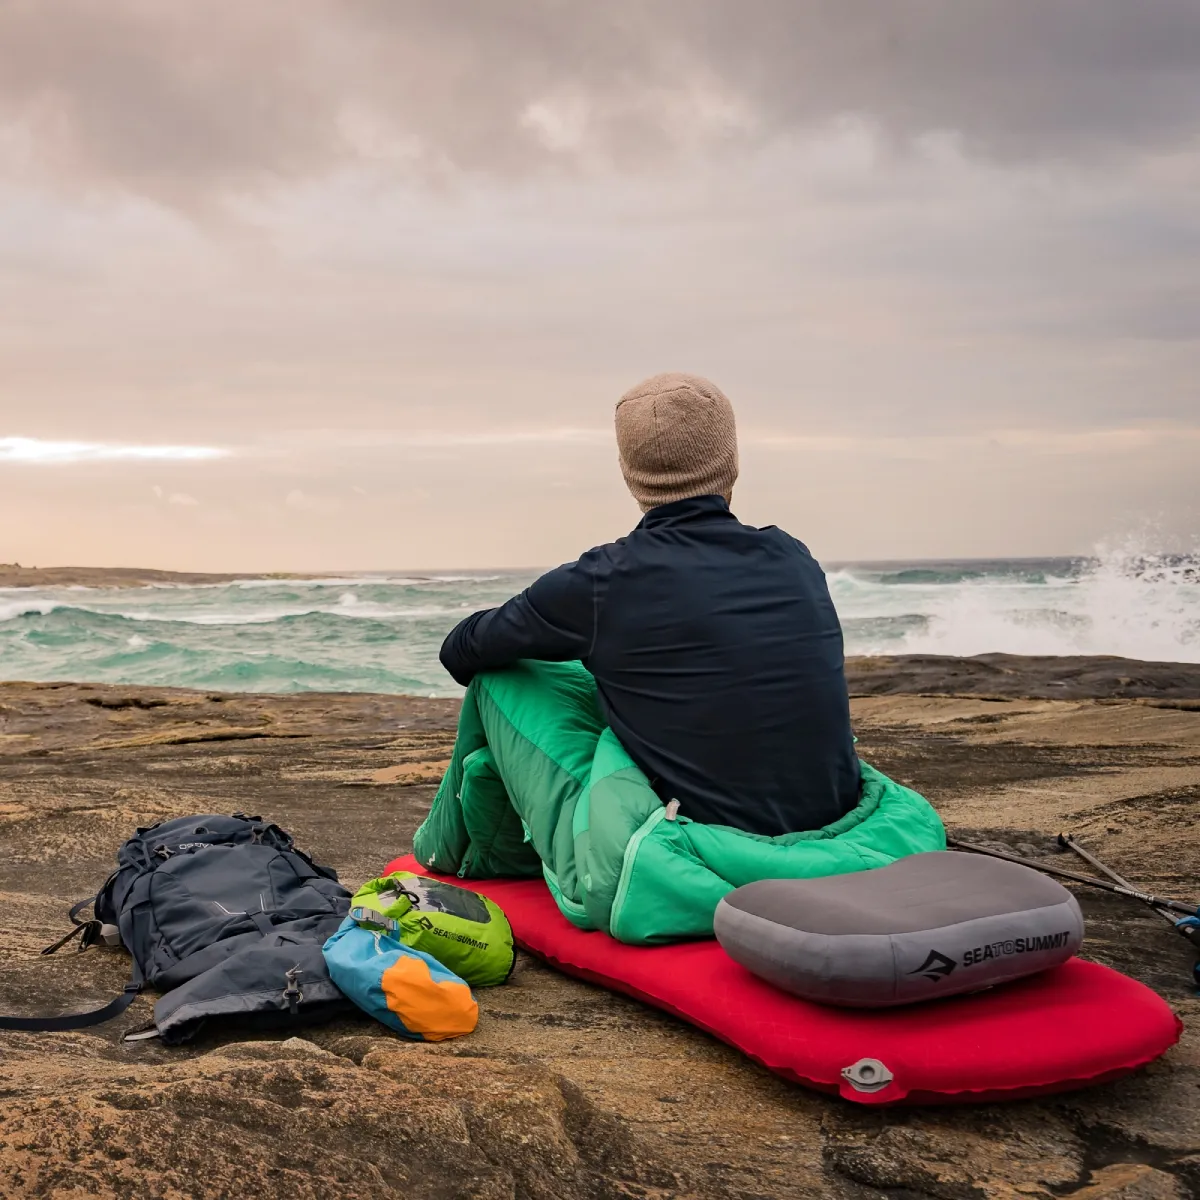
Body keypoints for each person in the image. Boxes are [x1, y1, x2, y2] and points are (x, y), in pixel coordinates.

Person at [439, 373, 861, 837]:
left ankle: (459, 853)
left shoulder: (601, 581)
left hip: (691, 843)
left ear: (627, 471)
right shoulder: (794, 557)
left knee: (497, 679)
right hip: (830, 822)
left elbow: (460, 651)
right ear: (732, 461)